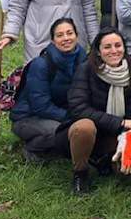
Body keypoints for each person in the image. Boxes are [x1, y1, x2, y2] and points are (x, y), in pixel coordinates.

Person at [57, 27, 131, 194]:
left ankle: (106, 161)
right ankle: (80, 173)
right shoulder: (86, 69)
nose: (114, 51)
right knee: (84, 127)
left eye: (118, 45)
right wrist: (120, 123)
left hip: (115, 132)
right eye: (107, 47)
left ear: (124, 48)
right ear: (99, 51)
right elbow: (79, 109)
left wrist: (127, 134)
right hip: (85, 131)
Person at [10, 18, 87, 162]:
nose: (66, 38)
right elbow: (40, 106)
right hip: (28, 117)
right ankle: (31, 147)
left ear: (77, 36)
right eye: (60, 35)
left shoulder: (82, 59)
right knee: (63, 131)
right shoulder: (41, 65)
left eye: (69, 33)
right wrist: (71, 117)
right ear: (52, 40)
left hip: (60, 112)